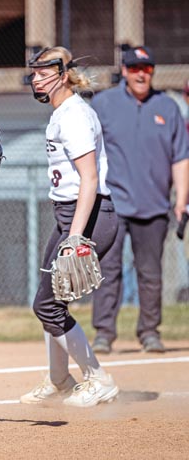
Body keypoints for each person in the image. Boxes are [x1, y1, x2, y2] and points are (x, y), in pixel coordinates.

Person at [20, 47, 119, 407]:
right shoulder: (63, 112)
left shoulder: (74, 114)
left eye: (45, 71)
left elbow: (89, 179)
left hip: (88, 217)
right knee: (52, 301)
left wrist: (76, 237)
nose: (37, 77)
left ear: (64, 74)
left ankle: (98, 378)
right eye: (34, 72)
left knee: (47, 305)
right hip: (70, 216)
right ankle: (60, 378)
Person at [90, 46, 189, 354]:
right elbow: (88, 151)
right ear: (124, 71)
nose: (141, 74)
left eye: (146, 69)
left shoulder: (168, 107)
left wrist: (181, 200)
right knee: (108, 271)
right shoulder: (104, 103)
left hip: (155, 205)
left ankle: (149, 332)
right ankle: (104, 333)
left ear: (152, 72)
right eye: (134, 69)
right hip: (112, 204)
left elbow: (181, 158)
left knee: (151, 274)